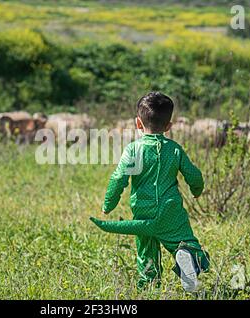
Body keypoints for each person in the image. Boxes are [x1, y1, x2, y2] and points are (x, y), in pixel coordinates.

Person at [90, 91, 210, 292]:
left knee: (146, 250)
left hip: (143, 211)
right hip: (171, 211)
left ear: (138, 123)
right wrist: (197, 190)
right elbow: (194, 174)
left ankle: (149, 286)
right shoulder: (174, 149)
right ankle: (188, 257)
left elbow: (118, 178)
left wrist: (108, 204)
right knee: (184, 241)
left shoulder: (133, 150)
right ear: (169, 126)